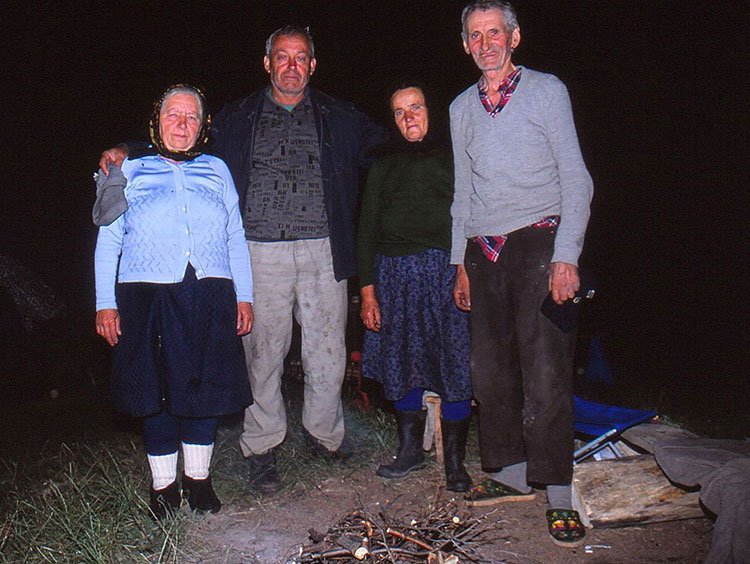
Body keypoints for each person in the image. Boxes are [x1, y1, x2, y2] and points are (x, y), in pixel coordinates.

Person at [99, 26, 386, 493]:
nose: (291, 65)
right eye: (281, 57)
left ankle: (325, 435)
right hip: (259, 251)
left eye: (301, 57)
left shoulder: (340, 116)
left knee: (328, 353)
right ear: (267, 63)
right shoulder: (238, 117)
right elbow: (180, 138)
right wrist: (128, 148)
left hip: (324, 251)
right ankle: (262, 445)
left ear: (313, 65)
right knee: (263, 354)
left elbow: (388, 146)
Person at [450, 1, 594, 547]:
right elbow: (462, 193)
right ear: (465, 45)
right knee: (489, 368)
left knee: (547, 369)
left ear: (514, 38)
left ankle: (557, 490)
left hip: (540, 236)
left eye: (495, 33)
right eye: (475, 35)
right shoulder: (461, 106)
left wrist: (567, 254)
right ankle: (510, 474)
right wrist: (457, 264)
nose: (486, 43)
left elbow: (576, 178)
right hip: (483, 249)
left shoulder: (546, 90)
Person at [94, 84, 254, 519]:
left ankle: (198, 482)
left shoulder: (218, 169)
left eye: (191, 117)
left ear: (203, 126)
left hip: (209, 292)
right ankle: (163, 487)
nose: (182, 125)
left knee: (201, 389)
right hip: (146, 294)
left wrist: (245, 295)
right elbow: (108, 239)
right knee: (156, 392)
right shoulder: (129, 168)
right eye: (173, 115)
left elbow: (234, 235)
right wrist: (104, 303)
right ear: (156, 120)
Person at [357, 83, 473, 492]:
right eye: (400, 111)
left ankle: (455, 462)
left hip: (445, 271)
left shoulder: (455, 158)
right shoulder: (382, 164)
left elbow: (470, 217)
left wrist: (464, 269)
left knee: (455, 362)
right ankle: (409, 451)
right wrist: (368, 292)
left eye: (416, 107)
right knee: (400, 360)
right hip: (393, 275)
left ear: (430, 111)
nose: (409, 117)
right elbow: (366, 229)